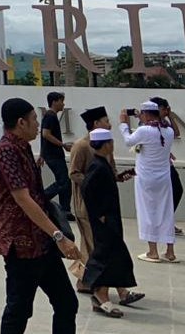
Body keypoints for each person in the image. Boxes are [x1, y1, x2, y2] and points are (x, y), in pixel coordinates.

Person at [0, 97, 79, 334]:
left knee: (67, 302)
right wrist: (59, 235)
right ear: (21, 122)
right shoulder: (6, 150)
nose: (37, 125)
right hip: (21, 245)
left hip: (41, 242)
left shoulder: (23, 147)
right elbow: (23, 198)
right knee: (18, 311)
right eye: (34, 120)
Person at [80, 128, 144, 318]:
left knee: (116, 254)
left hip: (110, 217)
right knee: (105, 255)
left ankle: (118, 292)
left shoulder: (102, 164)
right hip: (105, 219)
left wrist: (117, 178)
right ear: (106, 144)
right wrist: (98, 215)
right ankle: (100, 294)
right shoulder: (97, 166)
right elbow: (87, 189)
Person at [119, 101, 177, 263]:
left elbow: (129, 141)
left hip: (146, 178)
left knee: (148, 211)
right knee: (166, 211)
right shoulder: (169, 131)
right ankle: (170, 251)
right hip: (164, 178)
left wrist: (124, 124)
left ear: (145, 114)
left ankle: (153, 251)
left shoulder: (144, 131)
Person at [68, 106, 108, 273]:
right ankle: (90, 282)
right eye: (106, 122)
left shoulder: (105, 147)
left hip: (103, 204)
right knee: (91, 245)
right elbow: (74, 173)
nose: (109, 125)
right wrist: (93, 184)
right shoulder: (81, 146)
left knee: (94, 245)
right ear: (96, 123)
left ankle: (85, 281)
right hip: (85, 204)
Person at [150, 96, 185, 233]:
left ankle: (166, 221)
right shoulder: (148, 124)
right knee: (164, 194)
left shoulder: (164, 123)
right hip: (156, 166)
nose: (165, 111)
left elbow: (176, 133)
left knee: (176, 190)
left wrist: (170, 116)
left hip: (166, 164)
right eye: (164, 109)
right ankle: (162, 223)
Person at [40, 91, 74, 221]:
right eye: (61, 101)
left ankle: (65, 210)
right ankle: (41, 199)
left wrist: (42, 154)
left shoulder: (50, 116)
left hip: (52, 154)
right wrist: (63, 145)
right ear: (54, 102)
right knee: (63, 181)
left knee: (65, 181)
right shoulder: (50, 116)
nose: (63, 104)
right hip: (53, 155)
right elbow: (46, 134)